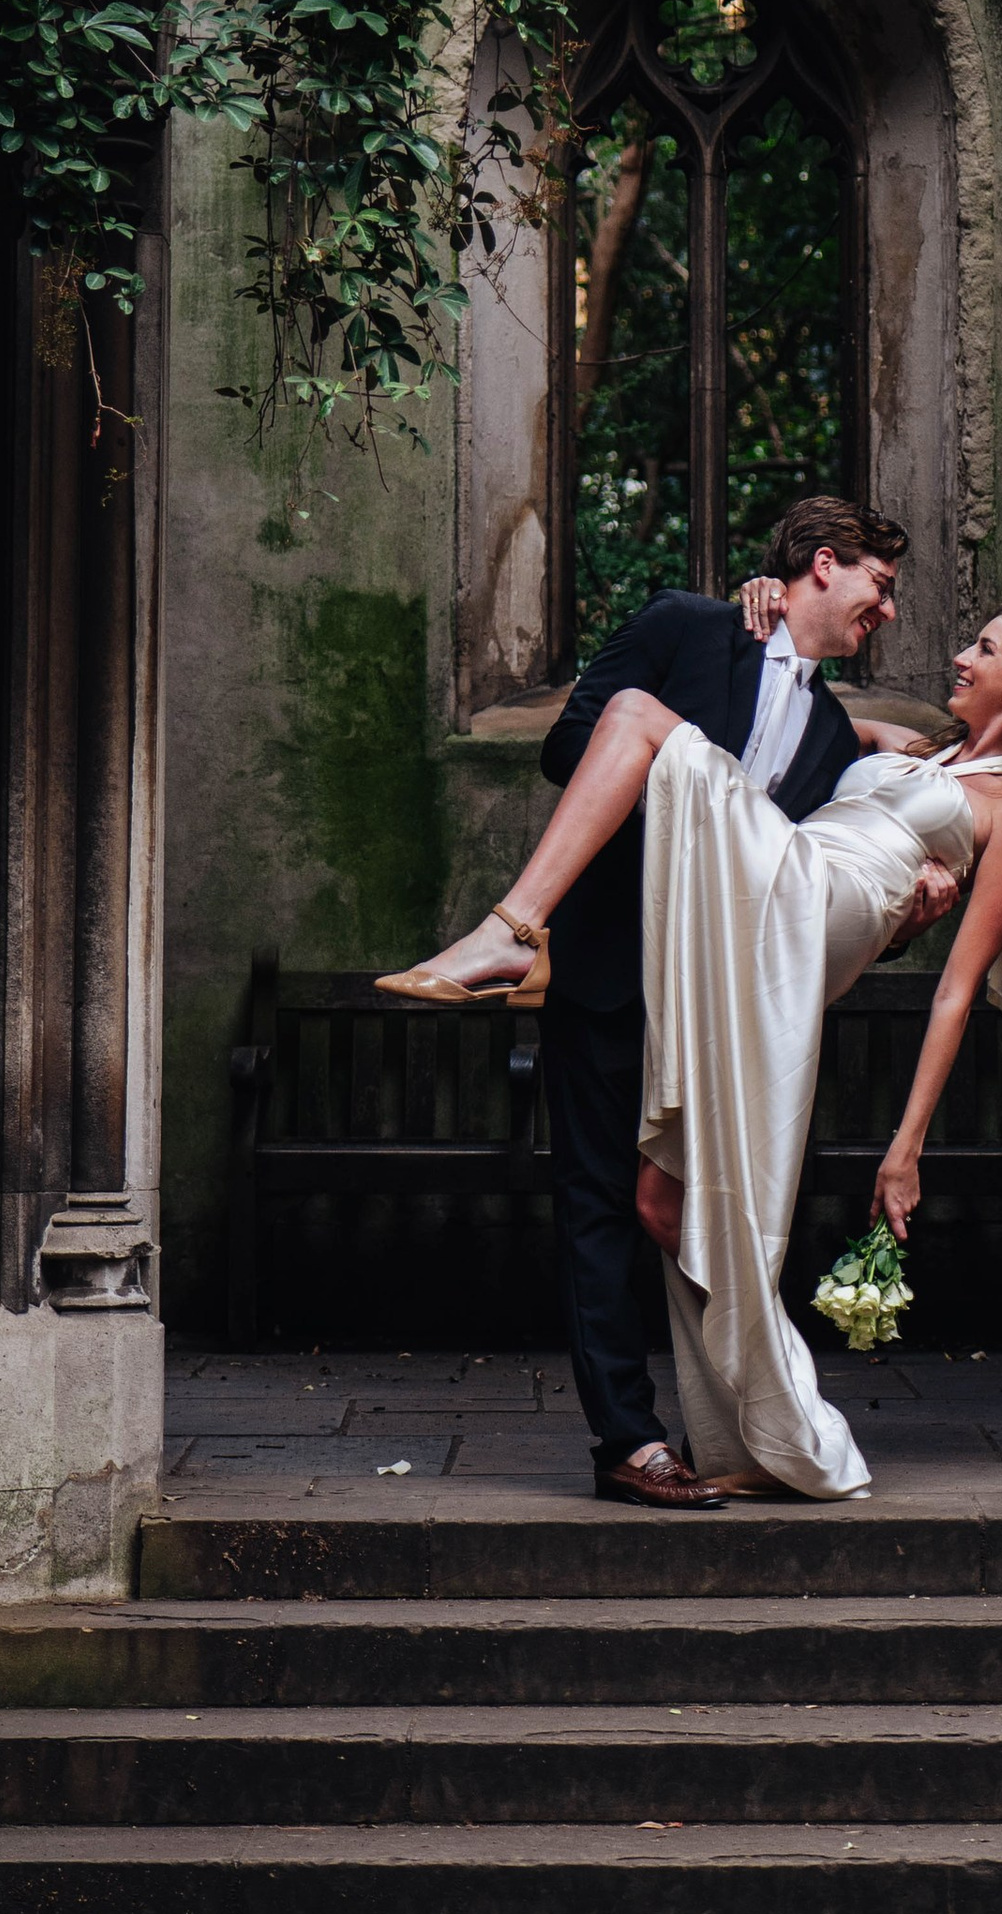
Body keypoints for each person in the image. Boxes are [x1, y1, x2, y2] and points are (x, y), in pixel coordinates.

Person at [382, 571, 1002, 1507]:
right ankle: (768, 1427)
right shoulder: (923, 748)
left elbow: (954, 995)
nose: (958, 654)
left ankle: (515, 931)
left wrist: (905, 1151)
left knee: (633, 715)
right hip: (775, 904)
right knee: (662, 1206)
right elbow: (812, 721)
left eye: (983, 649)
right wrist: (766, 600)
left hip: (801, 907)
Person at [379, 494, 927, 1509]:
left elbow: (804, 882)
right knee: (596, 1206)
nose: (885, 612)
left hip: (717, 1014)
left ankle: (751, 1417)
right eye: (878, 586)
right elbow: (570, 748)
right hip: (606, 967)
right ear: (819, 564)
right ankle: (626, 1442)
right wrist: (696, 765)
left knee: (686, 1209)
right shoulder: (687, 626)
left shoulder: (829, 733)